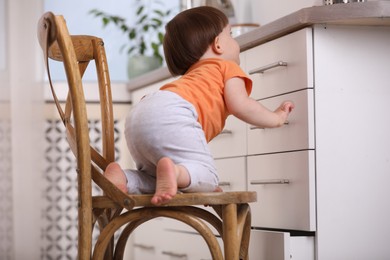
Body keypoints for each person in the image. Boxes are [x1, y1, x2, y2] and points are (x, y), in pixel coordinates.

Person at [104, 6, 294, 205]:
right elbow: (241, 105)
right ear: (218, 45)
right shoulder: (226, 67)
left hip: (139, 114)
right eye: (231, 35)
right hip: (172, 110)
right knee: (208, 176)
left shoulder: (192, 78)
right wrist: (276, 118)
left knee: (156, 178)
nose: (235, 41)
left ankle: (124, 177)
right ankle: (178, 172)